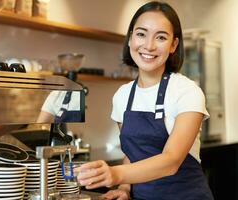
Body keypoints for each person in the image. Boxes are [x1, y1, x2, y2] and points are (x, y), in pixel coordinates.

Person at [76, 1, 214, 200]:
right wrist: (124, 188)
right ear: (131, 38)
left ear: (173, 45)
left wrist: (115, 174)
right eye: (141, 34)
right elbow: (133, 154)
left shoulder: (187, 91)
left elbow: (171, 161)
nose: (149, 45)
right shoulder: (122, 96)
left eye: (160, 37)